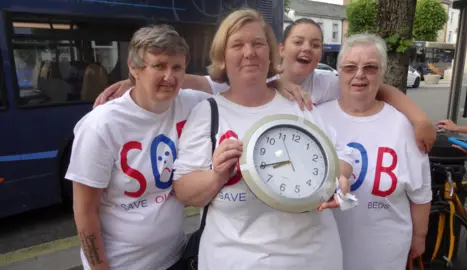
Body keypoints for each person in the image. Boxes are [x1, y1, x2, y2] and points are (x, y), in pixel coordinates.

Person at [172, 8, 354, 270]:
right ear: (222, 56)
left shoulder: (298, 104)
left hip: (313, 257)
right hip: (235, 259)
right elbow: (184, 191)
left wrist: (340, 179)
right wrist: (217, 176)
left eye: (258, 43)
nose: (250, 52)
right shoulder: (207, 112)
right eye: (237, 45)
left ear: (271, 52)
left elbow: (341, 155)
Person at [94, 19, 436, 154]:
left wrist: (418, 119)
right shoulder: (256, 82)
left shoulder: (330, 83)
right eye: (299, 41)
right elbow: (204, 81)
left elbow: (379, 89)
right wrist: (135, 78)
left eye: (316, 44)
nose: (308, 49)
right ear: (282, 49)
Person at [65, 25, 211, 270]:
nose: (170, 77)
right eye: (158, 66)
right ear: (134, 68)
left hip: (176, 257)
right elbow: (84, 209)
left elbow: (241, 87)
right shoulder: (101, 126)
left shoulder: (191, 103)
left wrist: (283, 86)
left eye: (177, 67)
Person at [315, 33, 432, 270]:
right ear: (339, 72)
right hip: (325, 249)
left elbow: (420, 191)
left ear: (382, 73)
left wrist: (419, 237)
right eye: (350, 67)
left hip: (385, 252)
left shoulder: (403, 126)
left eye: (370, 67)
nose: (359, 74)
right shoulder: (316, 117)